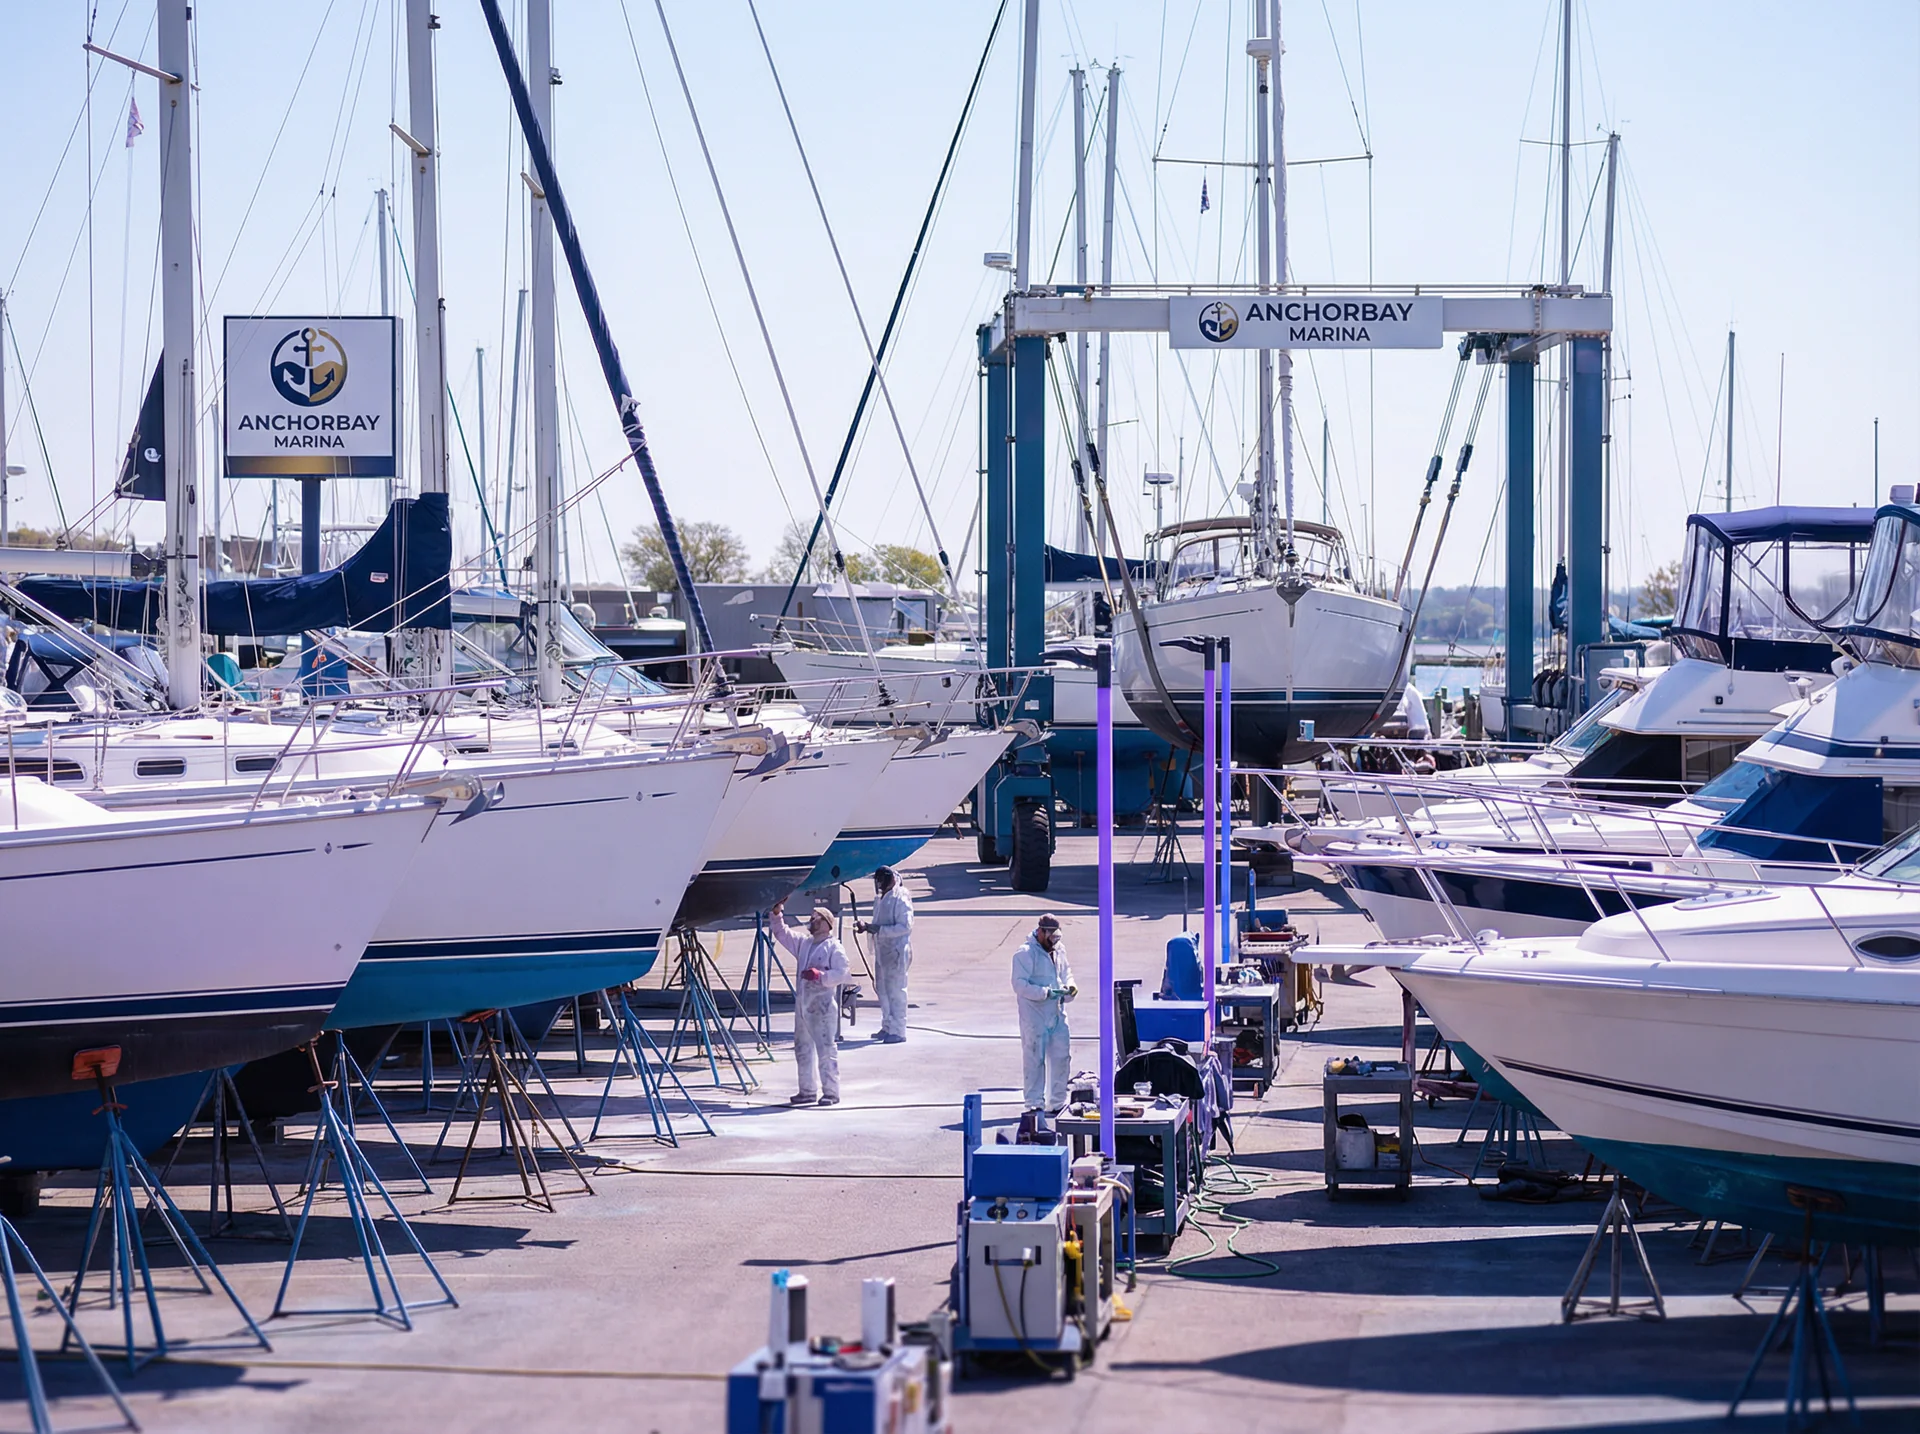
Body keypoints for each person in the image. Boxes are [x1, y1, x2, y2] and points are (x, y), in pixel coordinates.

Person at [770, 900, 849, 1106]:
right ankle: (807, 1091)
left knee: (825, 1050)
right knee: (802, 1048)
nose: (811, 921)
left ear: (825, 923)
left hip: (822, 1008)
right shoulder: (804, 944)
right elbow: (782, 933)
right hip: (804, 1006)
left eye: (815, 918)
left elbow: (842, 973)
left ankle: (831, 1092)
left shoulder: (833, 947)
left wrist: (821, 976)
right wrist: (777, 912)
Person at [1010, 913, 1077, 1112]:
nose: (1054, 942)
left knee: (1061, 1056)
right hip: (1035, 1015)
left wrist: (1070, 987)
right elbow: (1019, 984)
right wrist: (1045, 993)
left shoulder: (1058, 950)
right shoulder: (1025, 953)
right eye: (1051, 938)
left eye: (1057, 938)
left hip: (1056, 1012)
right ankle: (1034, 1103)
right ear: (1041, 932)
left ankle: (1057, 1102)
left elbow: (1066, 973)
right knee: (1034, 1058)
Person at [856, 866, 913, 1044]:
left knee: (896, 991)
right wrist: (867, 927)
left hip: (896, 951)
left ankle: (898, 1030)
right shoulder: (880, 899)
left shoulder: (900, 896)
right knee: (882, 989)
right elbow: (878, 923)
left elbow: (905, 926)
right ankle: (887, 1025)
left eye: (883, 880)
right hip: (882, 951)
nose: (880, 884)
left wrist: (879, 930)